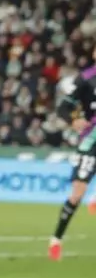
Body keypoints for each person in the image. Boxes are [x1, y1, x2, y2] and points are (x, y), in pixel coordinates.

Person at [48, 62, 96, 261]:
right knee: (77, 194)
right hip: (91, 140)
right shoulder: (86, 78)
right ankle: (56, 240)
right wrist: (73, 120)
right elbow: (63, 108)